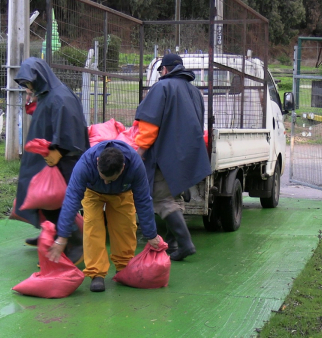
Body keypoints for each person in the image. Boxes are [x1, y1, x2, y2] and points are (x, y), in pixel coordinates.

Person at [47, 140, 161, 292]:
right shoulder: (85, 165)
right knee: (93, 227)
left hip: (122, 193)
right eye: (103, 177)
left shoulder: (135, 166)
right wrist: (62, 236)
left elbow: (143, 200)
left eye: (111, 179)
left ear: (123, 169)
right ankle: (96, 274)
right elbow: (72, 199)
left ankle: (123, 268)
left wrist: (151, 234)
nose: (106, 182)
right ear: (98, 161)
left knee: (124, 228)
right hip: (93, 192)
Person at [13, 57, 90, 265]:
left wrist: (58, 151)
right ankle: (51, 234)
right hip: (47, 159)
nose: (28, 87)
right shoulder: (49, 95)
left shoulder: (59, 97)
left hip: (62, 160)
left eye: (29, 82)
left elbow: (69, 129)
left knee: (54, 202)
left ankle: (75, 242)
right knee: (42, 198)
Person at [134, 53, 211, 261]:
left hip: (166, 156)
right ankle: (174, 242)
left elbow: (150, 125)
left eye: (160, 70)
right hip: (188, 155)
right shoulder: (194, 91)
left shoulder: (161, 88)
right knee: (174, 197)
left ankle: (186, 244)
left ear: (165, 70)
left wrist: (139, 152)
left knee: (161, 199)